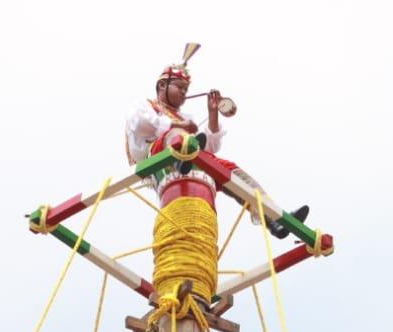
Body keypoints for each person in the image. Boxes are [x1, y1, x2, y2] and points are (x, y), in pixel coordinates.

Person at [123, 45, 305, 237]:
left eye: (186, 89)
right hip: (161, 159)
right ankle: (179, 158)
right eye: (180, 87)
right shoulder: (145, 106)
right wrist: (182, 128)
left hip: (192, 159)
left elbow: (210, 146)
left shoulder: (183, 116)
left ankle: (273, 220)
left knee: (233, 172)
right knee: (177, 133)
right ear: (162, 85)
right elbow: (141, 123)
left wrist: (212, 114)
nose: (184, 93)